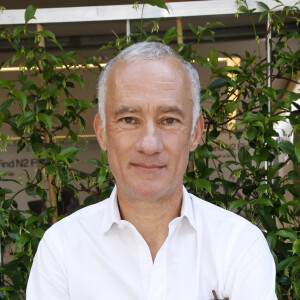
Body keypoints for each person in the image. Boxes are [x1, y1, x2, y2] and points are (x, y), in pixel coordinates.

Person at [26, 42, 277, 300]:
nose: (149, 144)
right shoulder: (62, 250)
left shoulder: (239, 246)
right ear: (102, 132)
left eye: (169, 120)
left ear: (195, 132)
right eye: (128, 119)